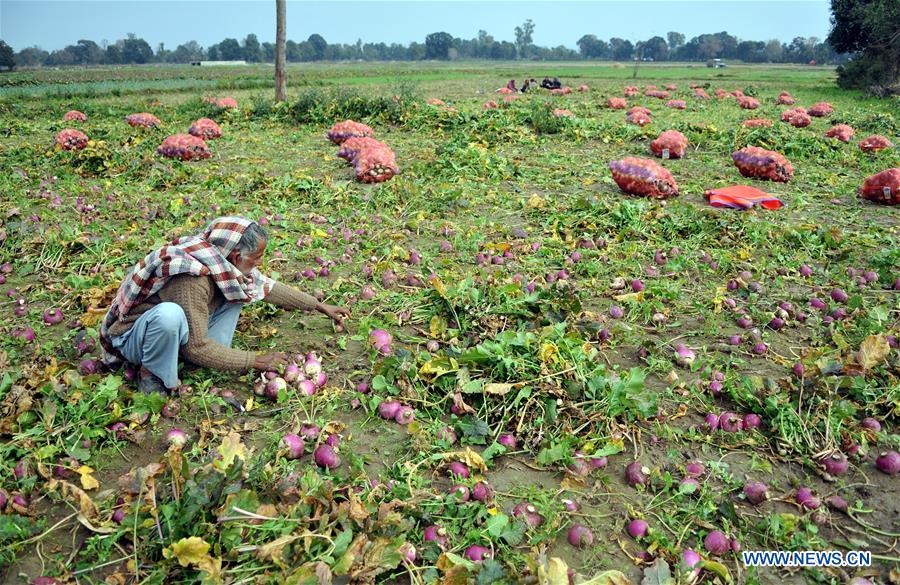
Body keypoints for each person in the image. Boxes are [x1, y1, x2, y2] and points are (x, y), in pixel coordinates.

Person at [99, 216, 350, 394]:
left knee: (240, 293)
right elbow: (195, 346)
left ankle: (212, 357)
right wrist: (255, 360)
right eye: (257, 258)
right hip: (135, 340)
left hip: (180, 332)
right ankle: (152, 374)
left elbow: (269, 288)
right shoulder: (191, 279)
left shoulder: (225, 267)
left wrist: (319, 306)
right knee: (169, 316)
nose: (260, 263)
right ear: (235, 256)